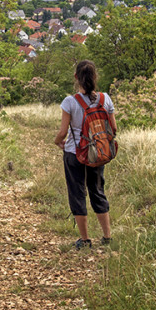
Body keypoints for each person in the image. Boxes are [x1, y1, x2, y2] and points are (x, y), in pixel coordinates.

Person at [55, 60, 115, 249]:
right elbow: (113, 128)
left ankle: (85, 239)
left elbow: (63, 132)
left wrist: (58, 142)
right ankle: (106, 237)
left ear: (76, 78)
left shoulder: (70, 102)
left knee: (77, 193)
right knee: (97, 191)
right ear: (95, 77)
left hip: (75, 154)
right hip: (97, 154)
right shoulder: (106, 99)